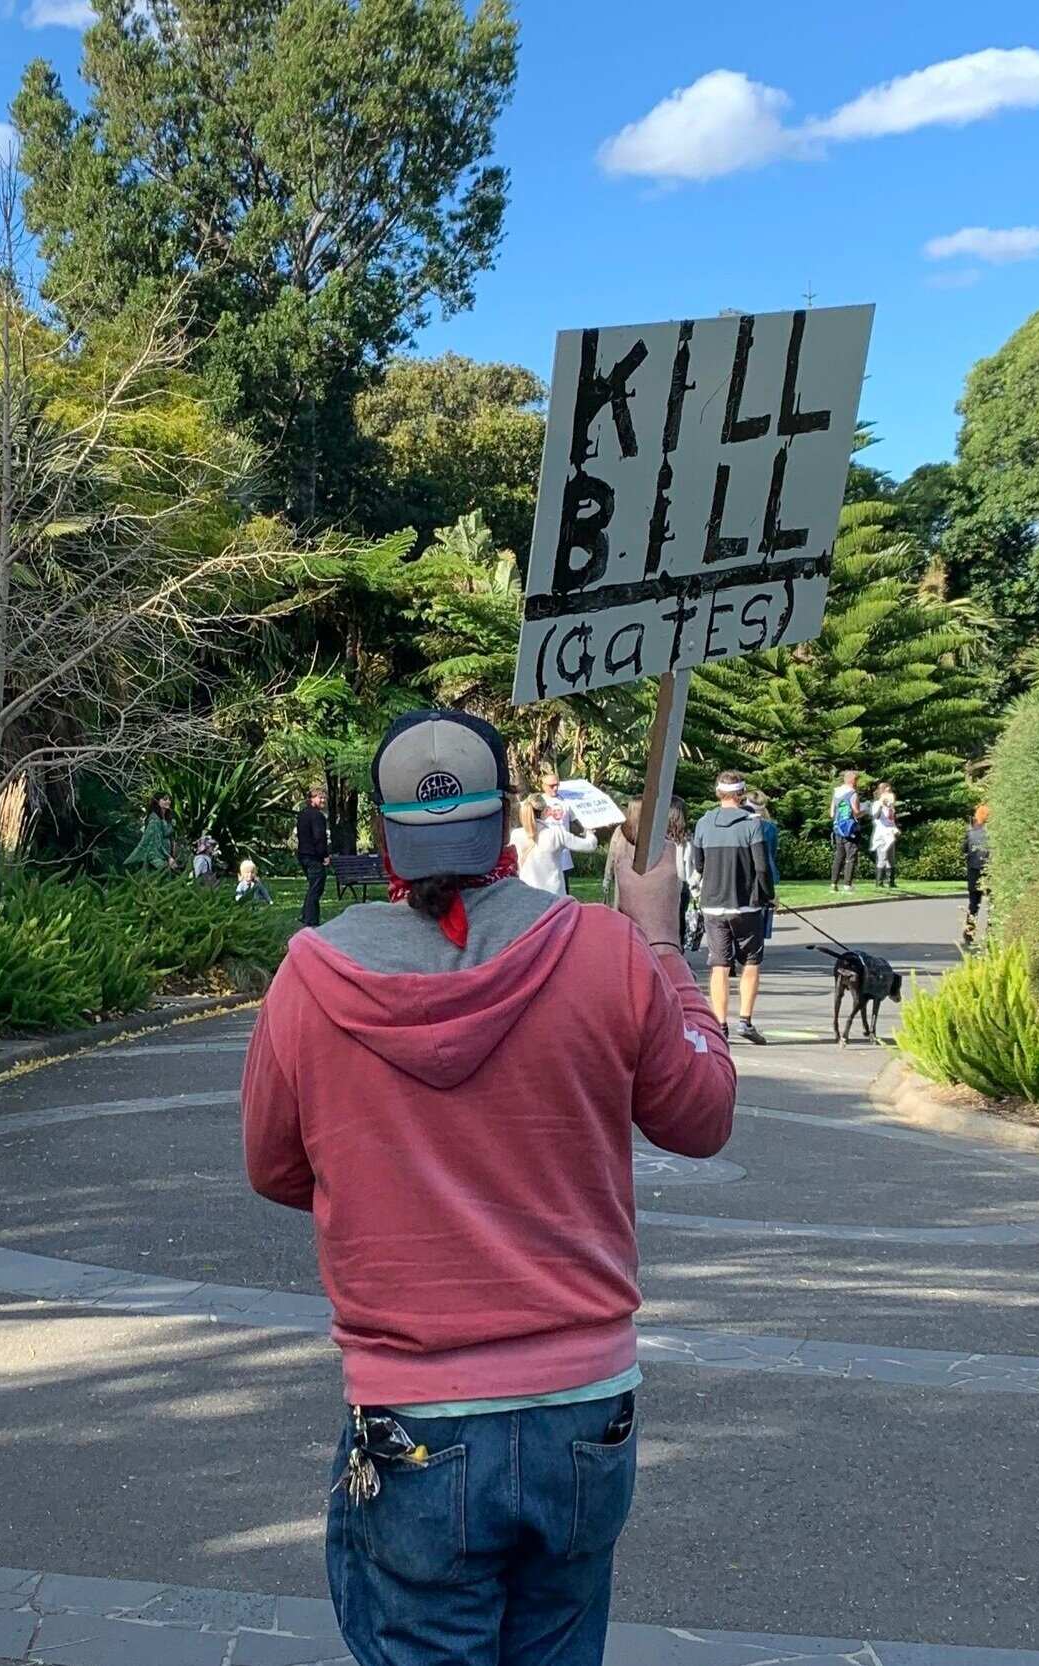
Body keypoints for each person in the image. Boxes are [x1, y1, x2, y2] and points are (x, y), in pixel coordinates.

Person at [241, 708, 735, 1666]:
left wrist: (387, 1186)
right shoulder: (606, 952)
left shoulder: (310, 975)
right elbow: (703, 1114)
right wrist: (664, 942)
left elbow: (274, 1166)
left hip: (414, 1415)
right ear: (504, 818)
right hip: (584, 1407)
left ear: (382, 835)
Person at [696, 770, 775, 1045]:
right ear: (741, 794)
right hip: (746, 905)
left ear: (718, 792)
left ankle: (720, 1025)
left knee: (719, 964)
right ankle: (745, 1021)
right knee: (751, 962)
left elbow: (698, 864)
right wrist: (768, 896)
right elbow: (762, 867)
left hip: (713, 904)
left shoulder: (704, 823)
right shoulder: (752, 824)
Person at [603, 795, 692, 956]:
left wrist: (608, 876)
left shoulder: (625, 832)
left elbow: (612, 856)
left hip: (629, 885)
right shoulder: (655, 834)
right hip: (651, 888)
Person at [510, 793, 595, 897]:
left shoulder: (516, 835)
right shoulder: (556, 834)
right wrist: (589, 832)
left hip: (526, 895)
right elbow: (590, 845)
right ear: (545, 811)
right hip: (554, 895)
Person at [746, 791, 780, 948]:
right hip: (767, 869)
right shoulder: (771, 828)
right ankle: (757, 943)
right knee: (763, 909)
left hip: (748, 869)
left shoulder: (743, 825)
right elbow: (772, 851)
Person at [296, 784, 331, 929]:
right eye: (320, 797)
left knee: (312, 886)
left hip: (303, 854)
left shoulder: (302, 814)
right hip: (314, 856)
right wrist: (324, 855)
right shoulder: (318, 816)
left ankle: (306, 914)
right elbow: (319, 837)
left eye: (324, 797)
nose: (323, 800)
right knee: (317, 887)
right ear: (311, 799)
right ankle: (311, 920)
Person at [537, 765, 579, 880]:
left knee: (563, 889)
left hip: (563, 854)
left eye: (557, 785)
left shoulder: (566, 801)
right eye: (551, 786)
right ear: (543, 786)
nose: (555, 788)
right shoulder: (538, 801)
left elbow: (575, 822)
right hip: (544, 853)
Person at [829, 769, 863, 891]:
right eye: (856, 780)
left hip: (838, 828)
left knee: (839, 856)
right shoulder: (852, 793)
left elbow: (832, 813)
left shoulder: (836, 792)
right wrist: (866, 810)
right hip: (850, 829)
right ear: (853, 781)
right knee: (851, 857)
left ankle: (833, 884)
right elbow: (856, 812)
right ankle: (847, 885)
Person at [128, 792, 179, 872]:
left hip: (166, 855)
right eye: (165, 799)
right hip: (156, 856)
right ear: (157, 801)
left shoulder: (166, 817)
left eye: (169, 799)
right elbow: (156, 841)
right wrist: (169, 857)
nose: (168, 801)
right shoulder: (154, 819)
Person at [964, 803, 991, 945]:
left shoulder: (971, 832)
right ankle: (991, 933)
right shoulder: (993, 834)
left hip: (974, 870)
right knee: (993, 904)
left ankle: (969, 931)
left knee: (973, 903)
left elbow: (964, 849)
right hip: (989, 869)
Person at [869, 783, 900, 889]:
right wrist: (881, 805)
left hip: (890, 833)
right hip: (881, 834)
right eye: (887, 791)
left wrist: (895, 828)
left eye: (890, 791)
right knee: (882, 857)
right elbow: (875, 817)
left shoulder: (890, 806)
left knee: (891, 858)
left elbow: (891, 820)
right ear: (882, 792)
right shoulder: (877, 804)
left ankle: (891, 881)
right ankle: (879, 882)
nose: (889, 793)